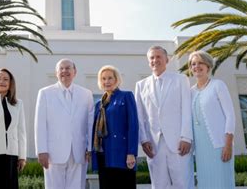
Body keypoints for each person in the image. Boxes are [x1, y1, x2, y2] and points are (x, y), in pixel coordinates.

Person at [135, 46, 194, 188]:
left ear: (166, 60)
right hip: (154, 145)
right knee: (159, 184)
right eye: (152, 58)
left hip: (179, 142)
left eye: (158, 57)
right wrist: (143, 140)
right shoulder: (141, 85)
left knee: (183, 183)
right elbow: (140, 115)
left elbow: (187, 109)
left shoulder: (181, 79)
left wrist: (186, 137)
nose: (155, 60)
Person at [34, 59, 94, 189]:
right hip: (52, 152)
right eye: (61, 68)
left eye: (68, 68)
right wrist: (41, 150)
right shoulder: (45, 93)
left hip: (79, 151)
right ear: (56, 73)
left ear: (75, 72)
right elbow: (40, 124)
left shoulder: (86, 94)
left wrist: (90, 148)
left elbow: (90, 123)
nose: (64, 71)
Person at [188, 51, 236, 188]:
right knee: (205, 183)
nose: (196, 66)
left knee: (222, 182)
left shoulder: (218, 85)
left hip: (219, 145)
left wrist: (228, 145)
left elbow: (230, 115)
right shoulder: (190, 91)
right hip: (201, 149)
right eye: (193, 64)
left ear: (208, 66)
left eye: (200, 63)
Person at [92, 65, 139, 189]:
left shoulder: (126, 96)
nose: (106, 81)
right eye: (103, 79)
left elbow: (133, 126)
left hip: (122, 154)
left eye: (110, 78)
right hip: (104, 154)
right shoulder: (99, 104)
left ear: (116, 79)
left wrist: (131, 153)